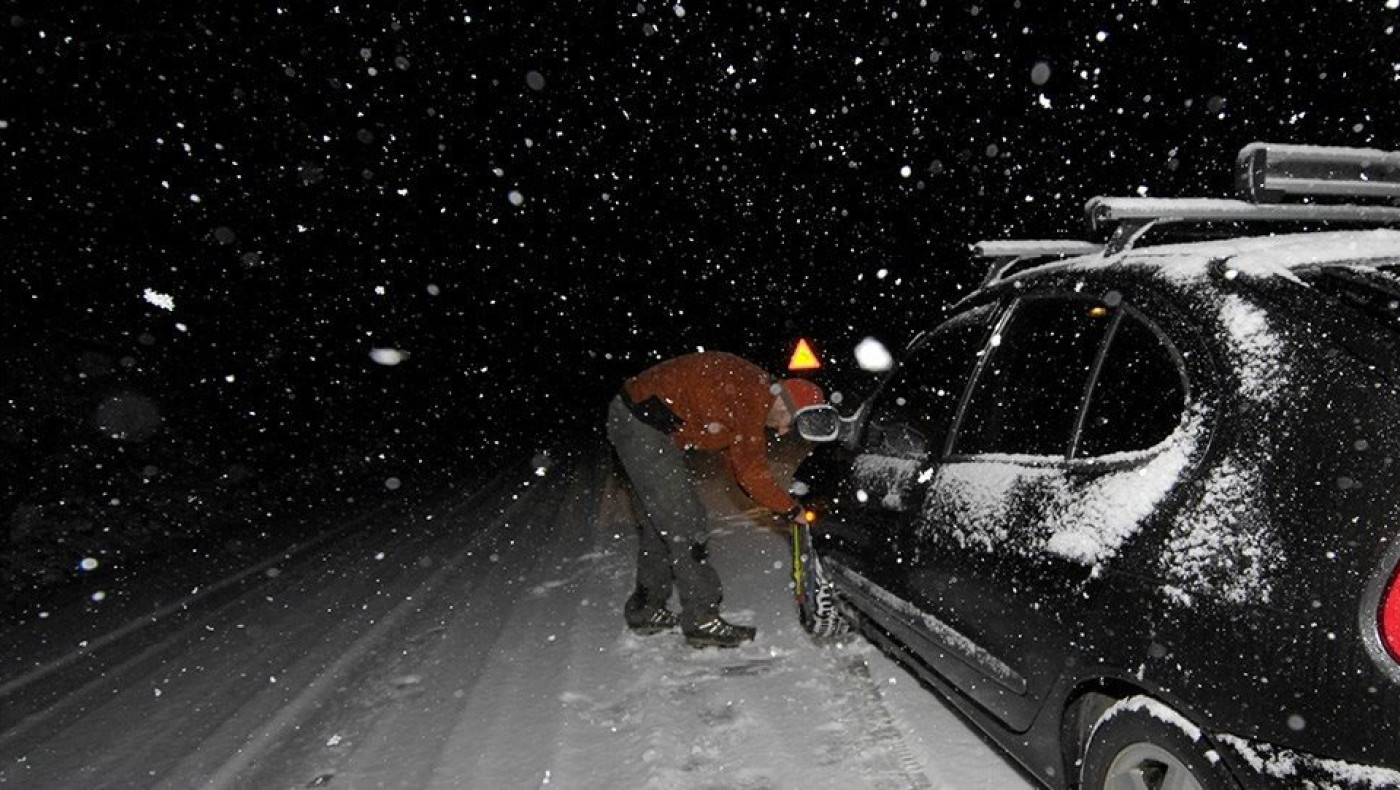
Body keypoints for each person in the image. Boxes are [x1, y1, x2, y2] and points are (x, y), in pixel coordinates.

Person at [606, 351, 826, 648]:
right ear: (784, 401)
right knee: (686, 520)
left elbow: (736, 458)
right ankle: (701, 619)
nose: (783, 430)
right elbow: (750, 471)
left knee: (660, 520)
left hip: (636, 417)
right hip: (642, 423)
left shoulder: (751, 390)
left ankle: (646, 609)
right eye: (789, 421)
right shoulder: (752, 397)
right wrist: (789, 509)